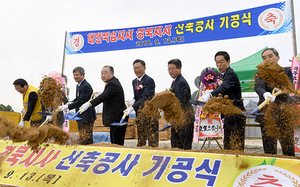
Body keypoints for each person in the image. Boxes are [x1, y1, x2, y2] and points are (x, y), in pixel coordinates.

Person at [200, 51, 246, 151]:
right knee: (228, 143)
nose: (219, 65)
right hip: (228, 113)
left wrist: (211, 94)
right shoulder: (223, 75)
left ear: (228, 61)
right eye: (217, 62)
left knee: (236, 144)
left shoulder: (230, 74)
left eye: (221, 62)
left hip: (236, 113)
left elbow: (224, 87)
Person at [254, 47, 295, 156]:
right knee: (269, 147)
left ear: (277, 57)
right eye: (264, 58)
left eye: (270, 56)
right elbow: (258, 86)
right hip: (267, 113)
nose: (267, 59)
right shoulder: (260, 73)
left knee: (288, 146)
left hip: (284, 112)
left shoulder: (286, 71)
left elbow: (289, 86)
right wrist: (265, 93)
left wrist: (280, 89)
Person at [80, 65, 128, 146]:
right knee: (114, 142)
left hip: (118, 118)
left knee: (117, 143)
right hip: (115, 118)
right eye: (101, 73)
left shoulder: (113, 84)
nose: (103, 75)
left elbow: (104, 96)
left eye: (105, 73)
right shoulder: (110, 83)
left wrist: (89, 104)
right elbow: (106, 95)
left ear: (112, 74)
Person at [124, 59, 159, 147]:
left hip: (150, 114)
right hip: (140, 115)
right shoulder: (134, 82)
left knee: (152, 140)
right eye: (135, 68)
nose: (137, 70)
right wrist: (133, 100)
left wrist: (132, 107)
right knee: (141, 140)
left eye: (139, 67)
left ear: (144, 68)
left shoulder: (149, 80)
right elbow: (137, 97)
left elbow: (145, 97)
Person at [59, 67, 96, 145]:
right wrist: (69, 103)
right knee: (82, 137)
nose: (75, 77)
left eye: (77, 75)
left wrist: (68, 107)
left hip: (87, 116)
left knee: (86, 137)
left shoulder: (86, 86)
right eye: (74, 75)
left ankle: (88, 153)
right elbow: (77, 99)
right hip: (80, 115)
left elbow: (81, 101)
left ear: (83, 75)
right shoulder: (79, 85)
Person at [168, 58, 194, 150]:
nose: (170, 71)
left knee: (184, 147)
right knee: (175, 145)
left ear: (180, 68)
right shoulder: (175, 82)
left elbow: (180, 102)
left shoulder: (181, 82)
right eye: (169, 69)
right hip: (177, 119)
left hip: (184, 119)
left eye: (172, 69)